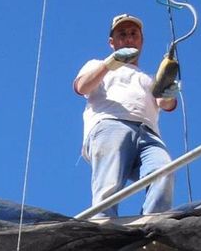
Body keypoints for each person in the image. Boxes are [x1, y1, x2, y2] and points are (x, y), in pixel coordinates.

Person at [72, 13, 179, 217]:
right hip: (111, 124)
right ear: (112, 42)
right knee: (108, 185)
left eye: (133, 34)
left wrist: (168, 91)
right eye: (122, 34)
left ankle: (153, 227)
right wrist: (109, 64)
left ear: (141, 41)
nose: (129, 38)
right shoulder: (97, 64)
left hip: (148, 133)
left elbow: (165, 104)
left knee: (163, 170)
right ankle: (103, 229)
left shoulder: (148, 79)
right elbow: (82, 86)